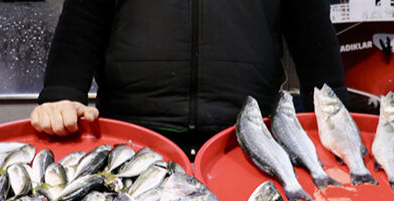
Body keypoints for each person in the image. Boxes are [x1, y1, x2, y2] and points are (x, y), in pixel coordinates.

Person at [30, 0, 353, 157]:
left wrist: (336, 120)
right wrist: (62, 92)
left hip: (246, 144)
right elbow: (82, 21)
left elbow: (313, 36)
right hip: (130, 142)